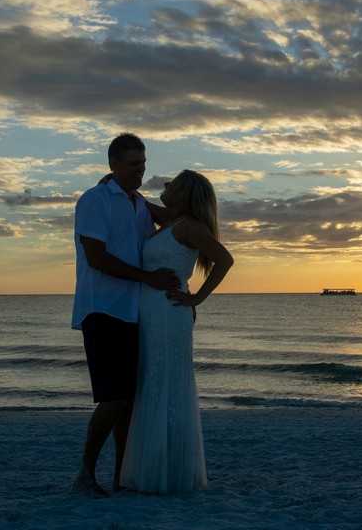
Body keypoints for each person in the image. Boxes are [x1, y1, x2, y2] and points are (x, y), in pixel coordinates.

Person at [71, 133, 181, 498]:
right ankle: (85, 473)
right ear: (113, 165)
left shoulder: (138, 204)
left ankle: (120, 475)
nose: (140, 171)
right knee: (114, 397)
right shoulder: (95, 200)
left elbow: (177, 221)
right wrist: (147, 277)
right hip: (102, 307)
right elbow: (96, 257)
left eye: (143, 165)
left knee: (130, 398)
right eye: (133, 165)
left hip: (134, 312)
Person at [120, 170, 234, 494]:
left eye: (173, 183)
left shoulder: (189, 226)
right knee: (153, 382)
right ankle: (156, 467)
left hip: (170, 315)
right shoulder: (170, 221)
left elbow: (225, 259)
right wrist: (112, 182)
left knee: (167, 383)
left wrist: (197, 296)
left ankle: (169, 472)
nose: (165, 185)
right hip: (153, 314)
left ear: (184, 193)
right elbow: (138, 202)